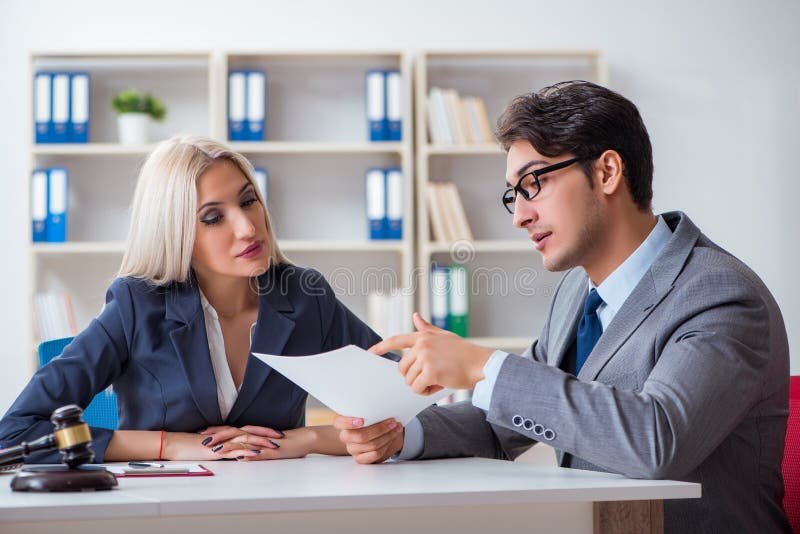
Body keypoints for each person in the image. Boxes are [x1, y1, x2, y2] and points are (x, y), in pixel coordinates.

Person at [335, 81, 791, 533]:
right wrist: (402, 434)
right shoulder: (578, 293)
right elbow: (507, 422)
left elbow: (657, 441)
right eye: (514, 194)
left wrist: (483, 366)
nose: (520, 215)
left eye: (534, 183)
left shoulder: (721, 296)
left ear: (608, 171)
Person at [0, 135, 380, 464]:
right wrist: (172, 446)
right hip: (166, 509)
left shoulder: (303, 295)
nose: (248, 228)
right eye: (213, 218)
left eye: (248, 201)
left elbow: (407, 403)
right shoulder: (138, 304)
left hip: (273, 503)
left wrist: (306, 439)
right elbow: (16, 433)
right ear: (176, 232)